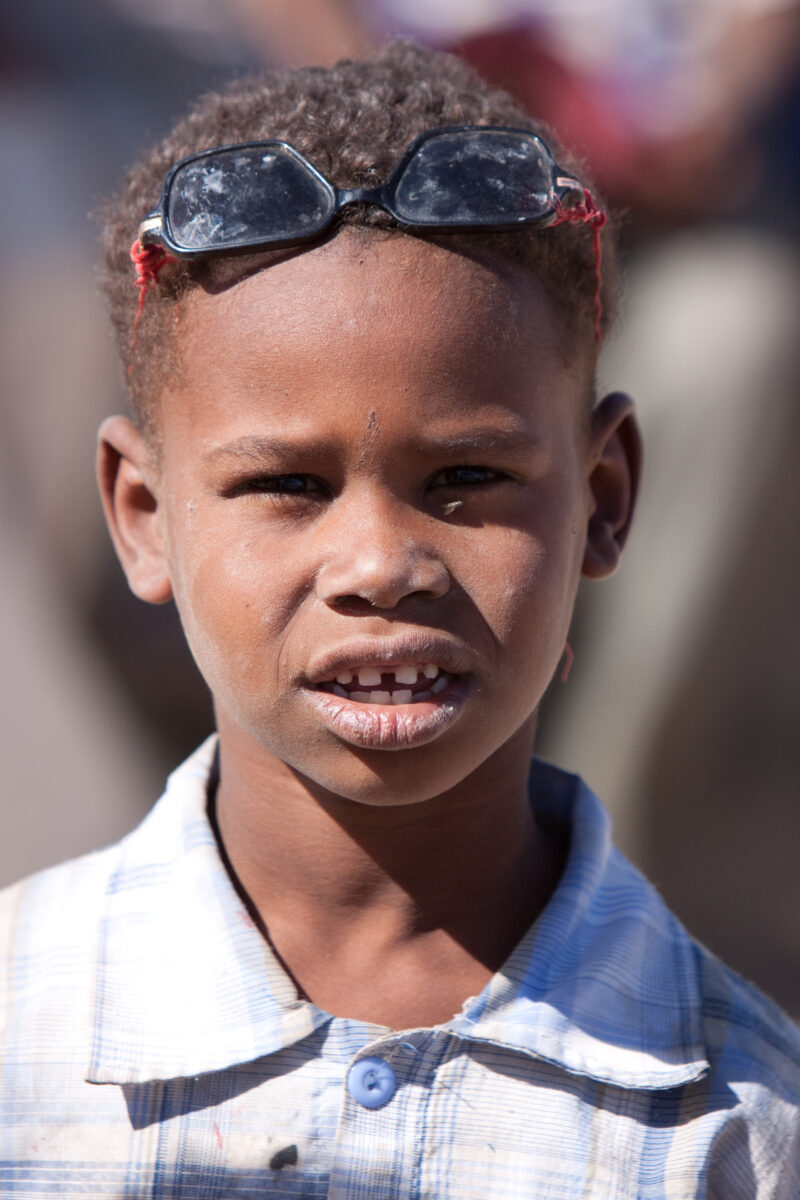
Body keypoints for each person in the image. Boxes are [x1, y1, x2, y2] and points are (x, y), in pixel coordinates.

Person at [1, 40, 798, 1198]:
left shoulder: (738, 1123)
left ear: (604, 499)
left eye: (466, 478)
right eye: (288, 486)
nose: (380, 565)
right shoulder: (21, 1026)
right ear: (142, 516)